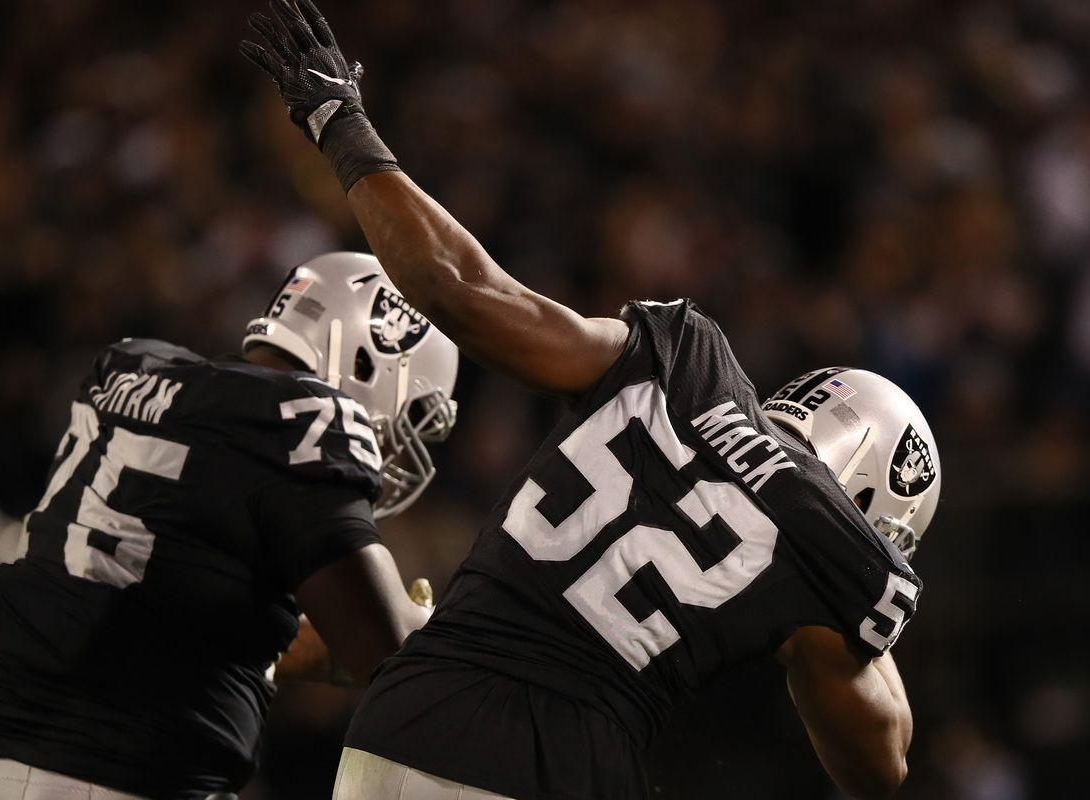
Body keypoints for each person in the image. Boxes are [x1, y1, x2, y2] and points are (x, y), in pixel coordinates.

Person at [244, 3, 943, 800]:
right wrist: (861, 596)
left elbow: (464, 287)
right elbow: (878, 769)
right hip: (556, 762)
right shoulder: (836, 555)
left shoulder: (683, 359)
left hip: (401, 718)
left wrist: (342, 121)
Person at [0, 252, 459, 800]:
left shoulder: (133, 369)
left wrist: (296, 646)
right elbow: (391, 657)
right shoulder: (306, 421)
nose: (395, 446)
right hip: (124, 780)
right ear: (364, 361)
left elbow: (151, 598)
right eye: (410, 415)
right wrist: (433, 627)